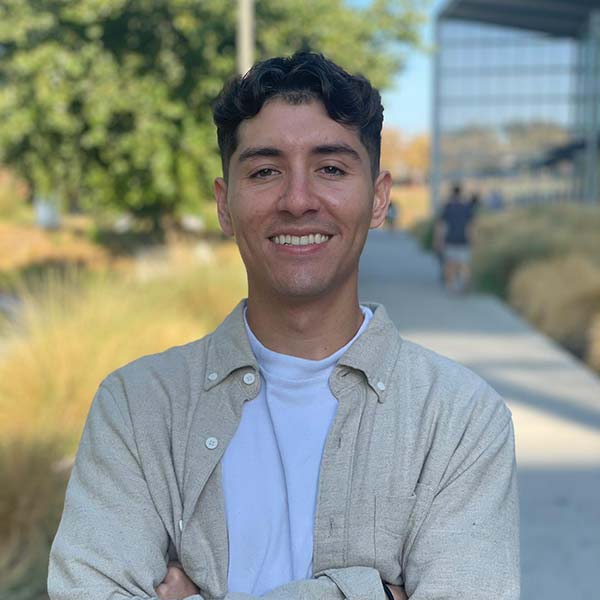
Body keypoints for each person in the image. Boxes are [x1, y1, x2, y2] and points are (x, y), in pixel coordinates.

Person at [48, 52, 519, 600]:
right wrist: (371, 593)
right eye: (265, 171)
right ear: (226, 204)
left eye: (332, 169)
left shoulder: (460, 420)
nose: (298, 200)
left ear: (379, 198)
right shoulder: (137, 407)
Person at [436, 184, 475, 293]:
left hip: (450, 239)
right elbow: (470, 226)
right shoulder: (467, 207)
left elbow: (441, 225)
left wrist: (439, 241)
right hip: (463, 240)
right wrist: (471, 240)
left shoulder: (447, 207)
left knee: (450, 265)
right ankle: (464, 285)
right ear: (461, 193)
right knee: (464, 265)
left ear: (452, 193)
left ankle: (450, 287)